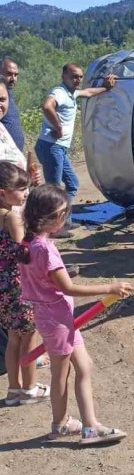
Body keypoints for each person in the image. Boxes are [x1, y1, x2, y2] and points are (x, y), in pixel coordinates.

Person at [20, 184, 132, 444]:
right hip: (57, 320)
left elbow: (46, 280)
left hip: (57, 318)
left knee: (84, 367)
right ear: (49, 217)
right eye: (62, 213)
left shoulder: (30, 244)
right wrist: (110, 288)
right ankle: (81, 427)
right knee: (61, 375)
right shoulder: (44, 250)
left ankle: (69, 424)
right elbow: (66, 287)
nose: (65, 218)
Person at [0, 162, 49, 406]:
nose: (25, 193)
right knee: (28, 336)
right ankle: (30, 389)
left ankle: (13, 390)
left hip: (2, 288)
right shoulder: (11, 217)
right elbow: (24, 253)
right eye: (21, 189)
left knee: (12, 339)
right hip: (19, 285)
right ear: (3, 192)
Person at [35, 64, 116, 207]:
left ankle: (64, 220)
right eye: (73, 76)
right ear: (63, 77)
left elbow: (88, 92)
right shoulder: (60, 92)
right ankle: (50, 223)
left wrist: (105, 87)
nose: (77, 80)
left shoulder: (71, 93)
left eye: (80, 76)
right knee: (53, 189)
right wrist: (58, 127)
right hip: (51, 146)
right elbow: (47, 106)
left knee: (72, 184)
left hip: (58, 148)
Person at [0, 57, 24, 151]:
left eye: (16, 75)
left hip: (12, 157)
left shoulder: (8, 94)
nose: (13, 78)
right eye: (9, 74)